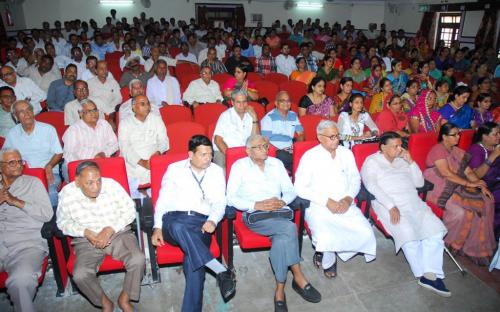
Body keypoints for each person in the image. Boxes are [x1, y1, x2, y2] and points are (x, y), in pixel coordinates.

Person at [227, 135, 321, 310]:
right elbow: (230, 198)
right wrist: (256, 204)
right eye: (259, 147)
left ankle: (280, 289)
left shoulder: (276, 164)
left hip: (280, 212)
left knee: (282, 238)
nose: (265, 149)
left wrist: (283, 202)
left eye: (265, 145)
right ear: (248, 151)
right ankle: (298, 276)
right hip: (256, 216)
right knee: (289, 228)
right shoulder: (239, 167)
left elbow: (289, 190)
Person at [151, 135, 236, 311]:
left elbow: (220, 202)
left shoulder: (215, 171)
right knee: (178, 226)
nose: (208, 159)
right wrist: (157, 226)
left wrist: (213, 220)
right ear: (191, 154)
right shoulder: (174, 169)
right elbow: (163, 200)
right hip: (172, 221)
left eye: (210, 154)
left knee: (193, 264)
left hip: (200, 223)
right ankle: (220, 270)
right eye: (203, 154)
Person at [361, 132, 450, 297]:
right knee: (409, 236)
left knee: (435, 231)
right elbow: (371, 185)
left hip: (413, 202)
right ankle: (423, 274)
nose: (399, 149)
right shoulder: (372, 162)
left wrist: (411, 162)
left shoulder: (403, 160)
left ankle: (430, 273)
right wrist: (390, 205)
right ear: (383, 147)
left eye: (401, 145)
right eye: (395, 146)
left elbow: (419, 183)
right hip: (388, 204)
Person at [57, 161, 144, 312]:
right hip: (86, 240)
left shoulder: (112, 186)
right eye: (89, 183)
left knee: (138, 259)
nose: (96, 187)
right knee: (80, 274)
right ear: (77, 182)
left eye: (98, 181)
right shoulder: (67, 194)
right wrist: (85, 232)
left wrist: (111, 228)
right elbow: (62, 222)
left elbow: (130, 210)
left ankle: (125, 298)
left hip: (117, 233)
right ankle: (105, 303)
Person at [294, 120, 376, 278]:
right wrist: (326, 201)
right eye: (332, 137)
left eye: (337, 136)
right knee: (326, 237)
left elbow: (355, 179)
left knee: (366, 233)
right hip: (319, 206)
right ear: (320, 137)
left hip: (345, 204)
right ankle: (328, 257)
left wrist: (348, 198)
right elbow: (299, 187)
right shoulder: (310, 156)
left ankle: (333, 249)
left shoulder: (346, 153)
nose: (337, 140)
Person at [423, 123, 496, 266]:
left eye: (458, 134)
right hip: (436, 187)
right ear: (444, 137)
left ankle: (471, 247)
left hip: (456, 185)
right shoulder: (438, 149)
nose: (458, 137)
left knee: (486, 202)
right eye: (454, 135)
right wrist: (469, 184)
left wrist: (480, 185)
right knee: (460, 212)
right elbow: (445, 173)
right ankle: (449, 244)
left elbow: (468, 172)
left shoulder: (457, 151)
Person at [0, 148, 53, 312]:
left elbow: (47, 214)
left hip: (26, 244)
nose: (18, 165)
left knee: (21, 281)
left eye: (20, 161)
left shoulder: (33, 183)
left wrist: (17, 202)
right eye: (11, 162)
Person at [4, 100, 62, 206]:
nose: (26, 113)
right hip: (23, 174)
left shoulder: (48, 129)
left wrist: (49, 166)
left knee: (50, 192)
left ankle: (51, 220)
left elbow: (59, 153)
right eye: (21, 111)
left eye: (28, 110)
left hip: (48, 172)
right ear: (15, 116)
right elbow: (4, 157)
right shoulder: (12, 134)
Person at [118, 95, 169, 188]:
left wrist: (158, 153)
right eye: (142, 104)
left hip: (153, 162)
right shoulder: (125, 123)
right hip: (133, 165)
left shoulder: (156, 119)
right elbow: (125, 148)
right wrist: (143, 162)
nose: (147, 107)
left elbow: (164, 141)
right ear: (133, 107)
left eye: (148, 104)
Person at [62, 99, 118, 179]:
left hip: (101, 163)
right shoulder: (73, 130)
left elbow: (115, 144)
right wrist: (86, 166)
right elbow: (69, 155)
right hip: (80, 167)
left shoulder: (104, 124)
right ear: (81, 114)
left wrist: (104, 153)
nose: (93, 114)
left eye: (95, 110)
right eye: (89, 111)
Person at [467, 122, 500, 239]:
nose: (499, 136)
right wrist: (493, 156)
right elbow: (476, 175)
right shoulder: (476, 149)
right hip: (483, 185)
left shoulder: (496, 147)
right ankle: (492, 234)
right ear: (485, 136)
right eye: (495, 134)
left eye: (499, 133)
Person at [213, 90, 259, 168]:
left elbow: (255, 139)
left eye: (244, 102)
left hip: (246, 151)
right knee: (221, 167)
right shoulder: (225, 116)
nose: (242, 105)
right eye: (238, 102)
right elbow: (218, 140)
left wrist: (255, 118)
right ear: (232, 102)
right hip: (225, 151)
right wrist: (231, 156)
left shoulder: (250, 115)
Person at [261, 91, 304, 171]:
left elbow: (301, 134)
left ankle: (294, 168)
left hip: (290, 148)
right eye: (282, 101)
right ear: (276, 103)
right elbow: (265, 140)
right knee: (296, 161)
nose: (286, 103)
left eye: (288, 101)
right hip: (276, 150)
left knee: (300, 158)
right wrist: (277, 150)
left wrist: (297, 146)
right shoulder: (269, 118)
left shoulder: (293, 115)